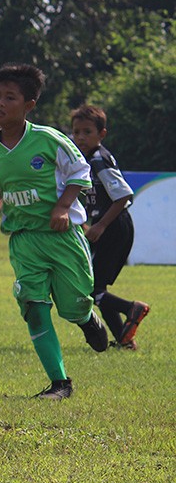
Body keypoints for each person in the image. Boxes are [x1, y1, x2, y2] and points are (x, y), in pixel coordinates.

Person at [0, 63, 109, 401]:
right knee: (33, 307)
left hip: (62, 238)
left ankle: (85, 318)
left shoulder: (49, 139)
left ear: (29, 105)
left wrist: (63, 207)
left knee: (72, 307)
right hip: (24, 239)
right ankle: (60, 383)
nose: (0, 103)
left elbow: (80, 173)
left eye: (10, 97)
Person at [70, 105, 149, 350]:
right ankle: (125, 341)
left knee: (91, 290)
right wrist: (89, 223)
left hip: (114, 226)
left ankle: (132, 308)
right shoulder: (86, 160)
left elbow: (123, 195)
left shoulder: (98, 159)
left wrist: (101, 225)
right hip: (110, 225)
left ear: (101, 134)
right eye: (76, 132)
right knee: (97, 288)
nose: (80, 138)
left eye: (87, 132)